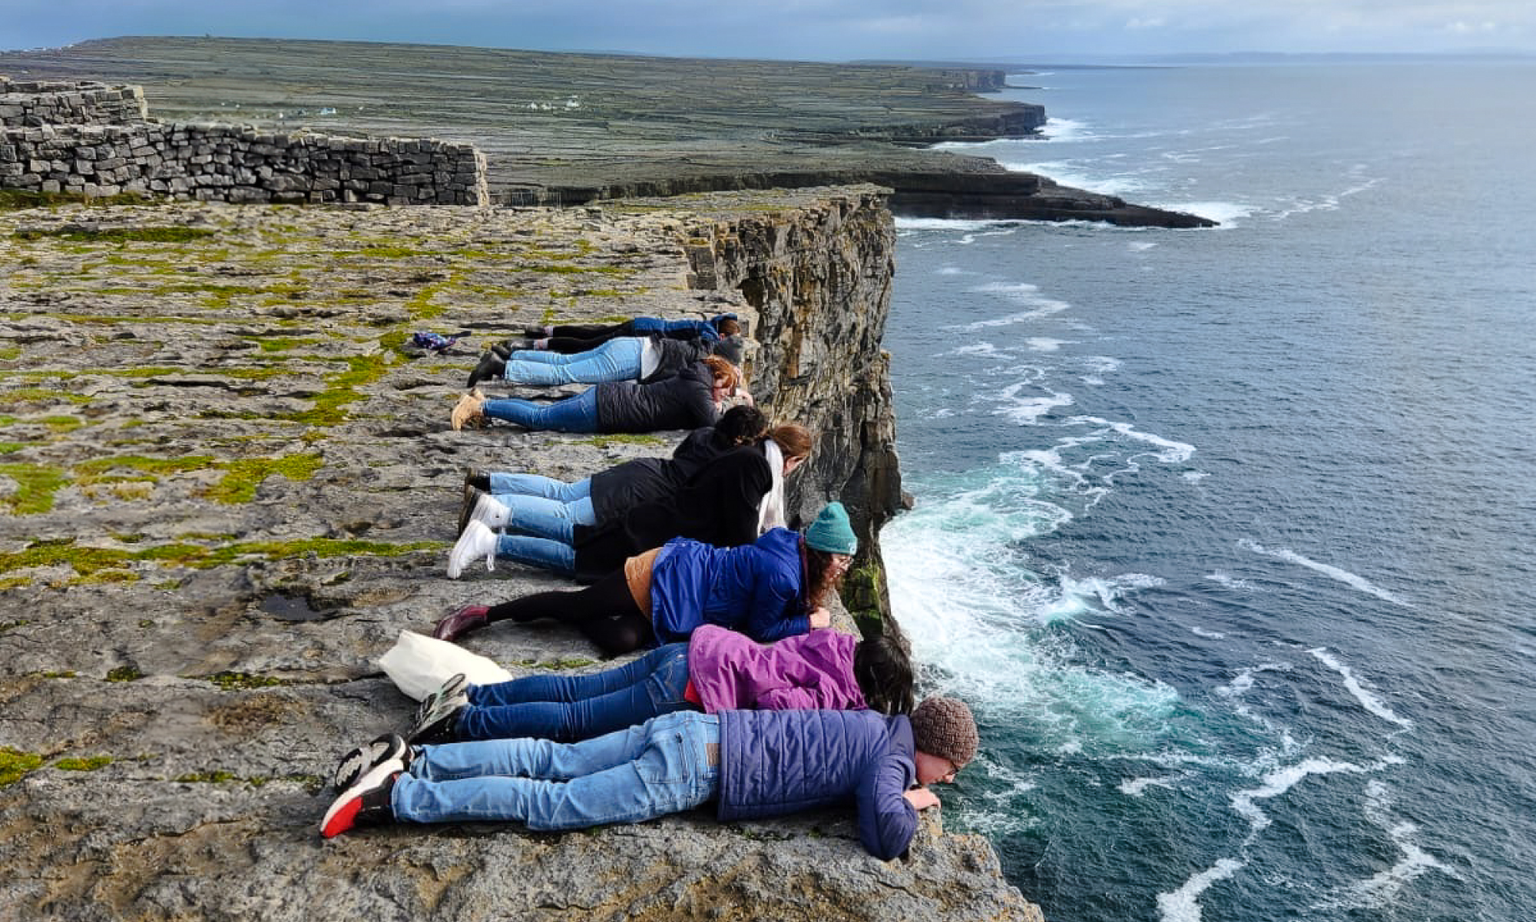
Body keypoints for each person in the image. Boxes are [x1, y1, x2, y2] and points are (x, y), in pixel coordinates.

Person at [319, 695, 980, 864]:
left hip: (694, 728)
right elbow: (885, 836)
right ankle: (395, 796)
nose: (942, 783)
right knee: (550, 804)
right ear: (932, 751)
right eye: (946, 772)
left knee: (556, 758)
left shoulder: (871, 724)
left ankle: (421, 758)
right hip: (693, 770)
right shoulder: (890, 762)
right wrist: (911, 800)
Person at [328, 624, 915, 792]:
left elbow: (781, 648)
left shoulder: (833, 640)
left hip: (694, 650)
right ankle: (463, 721)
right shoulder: (838, 697)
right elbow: (774, 708)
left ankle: (472, 694)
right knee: (570, 725)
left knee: (571, 692)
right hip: (688, 692)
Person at [439, 502, 859, 657]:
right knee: (577, 605)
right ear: (820, 553)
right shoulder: (783, 576)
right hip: (664, 577)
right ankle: (482, 614)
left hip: (685, 600)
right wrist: (811, 623)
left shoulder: (792, 547)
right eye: (841, 558)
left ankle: (591, 609)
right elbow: (760, 628)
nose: (844, 567)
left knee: (620, 641)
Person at [451, 422, 812, 580]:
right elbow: (741, 536)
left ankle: (495, 512)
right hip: (653, 535)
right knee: (574, 556)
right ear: (790, 461)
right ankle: (490, 537)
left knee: (574, 533)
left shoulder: (744, 455)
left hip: (653, 521)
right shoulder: (754, 468)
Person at [455, 405, 768, 541]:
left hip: (642, 469)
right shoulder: (728, 461)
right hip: (642, 492)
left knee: (562, 492)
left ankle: (488, 482)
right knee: (566, 513)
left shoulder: (703, 433)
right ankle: (484, 508)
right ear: (741, 440)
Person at [449, 356, 742, 434]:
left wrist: (724, 397)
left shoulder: (694, 377)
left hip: (610, 399)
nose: (725, 393)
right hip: (608, 411)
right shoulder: (698, 390)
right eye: (726, 387)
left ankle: (486, 403)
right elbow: (713, 425)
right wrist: (733, 404)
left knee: (544, 411)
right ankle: (480, 407)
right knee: (541, 418)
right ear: (717, 376)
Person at [465, 332, 745, 389]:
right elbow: (693, 383)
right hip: (629, 361)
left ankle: (511, 354)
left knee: (566, 362)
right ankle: (500, 367)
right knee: (566, 375)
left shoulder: (702, 344)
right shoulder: (702, 360)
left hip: (632, 344)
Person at [506, 314, 740, 354]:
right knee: (588, 345)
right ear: (722, 336)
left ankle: (544, 331)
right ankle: (536, 345)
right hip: (640, 332)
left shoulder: (708, 324)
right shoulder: (708, 335)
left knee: (592, 332)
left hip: (642, 322)